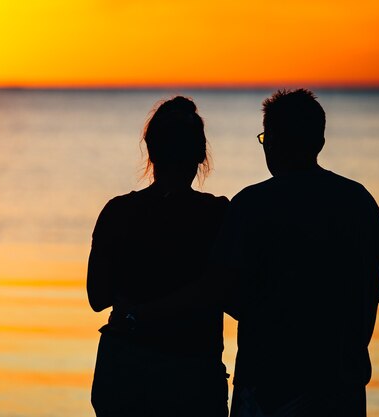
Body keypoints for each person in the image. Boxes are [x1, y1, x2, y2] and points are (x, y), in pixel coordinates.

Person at [215, 89, 379, 417]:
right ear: (319, 142)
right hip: (341, 383)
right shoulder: (360, 203)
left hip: (267, 386)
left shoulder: (251, 205)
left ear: (271, 142)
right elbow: (370, 291)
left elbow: (226, 293)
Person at [87, 96, 230, 417]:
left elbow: (97, 297)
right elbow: (230, 294)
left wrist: (138, 309)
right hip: (191, 373)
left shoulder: (118, 211)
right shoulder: (217, 214)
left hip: (124, 367)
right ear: (200, 155)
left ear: (150, 152)